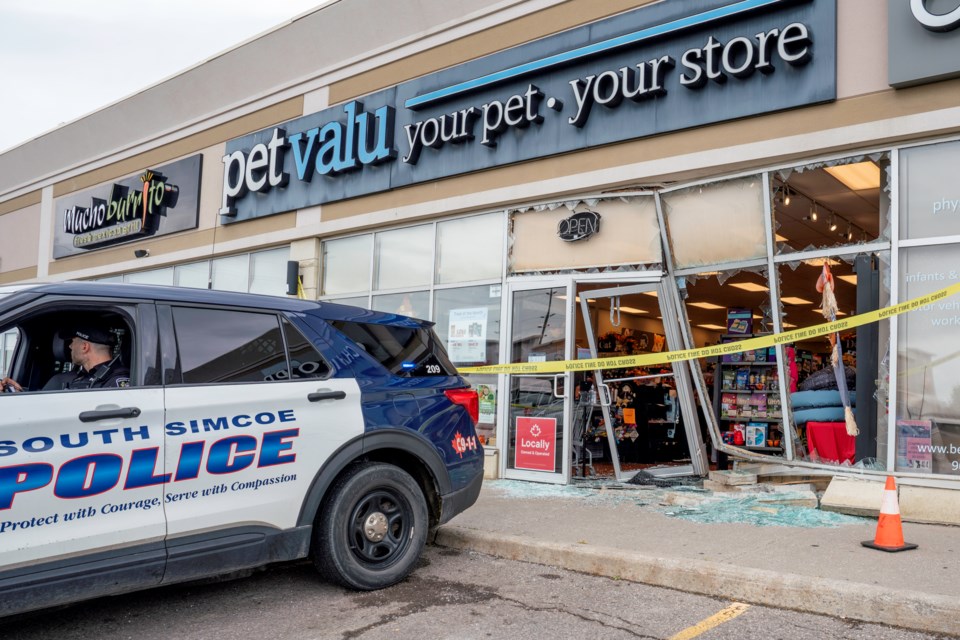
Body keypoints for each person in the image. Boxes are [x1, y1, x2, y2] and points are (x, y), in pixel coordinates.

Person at [1, 325, 129, 392]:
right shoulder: (79, 376)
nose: (70, 346)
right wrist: (20, 392)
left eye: (72, 341)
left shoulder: (117, 381)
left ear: (84, 347)